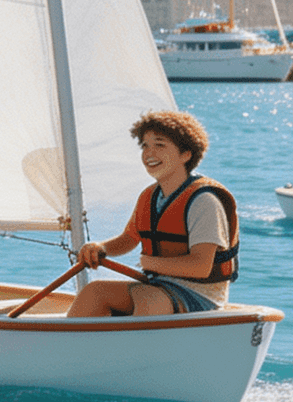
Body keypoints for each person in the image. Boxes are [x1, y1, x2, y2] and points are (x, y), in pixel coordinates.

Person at [67, 110, 238, 318]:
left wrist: (151, 263)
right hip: (158, 285)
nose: (149, 153)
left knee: (148, 298)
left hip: (200, 295)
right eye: (145, 146)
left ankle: (135, 350)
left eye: (160, 145)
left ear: (186, 154)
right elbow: (129, 239)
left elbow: (200, 267)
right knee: (95, 291)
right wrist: (100, 248)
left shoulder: (204, 202)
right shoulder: (149, 196)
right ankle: (77, 347)